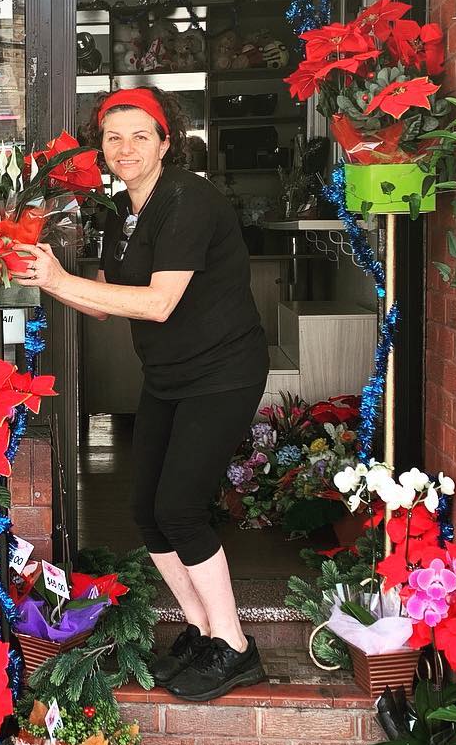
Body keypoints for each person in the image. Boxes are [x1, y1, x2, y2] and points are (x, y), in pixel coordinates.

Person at [16, 86, 269, 701]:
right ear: (100, 147)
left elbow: (156, 303)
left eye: (139, 136)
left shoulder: (188, 199)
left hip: (222, 372)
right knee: (147, 512)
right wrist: (38, 275)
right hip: (169, 376)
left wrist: (59, 278)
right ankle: (203, 629)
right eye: (112, 137)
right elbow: (103, 305)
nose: (125, 148)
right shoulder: (118, 214)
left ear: (165, 142)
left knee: (180, 506)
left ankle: (235, 646)